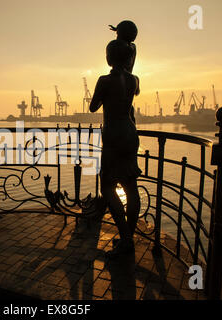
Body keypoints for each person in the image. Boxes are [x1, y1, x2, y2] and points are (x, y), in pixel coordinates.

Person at [90, 40, 141, 258]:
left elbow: (93, 106)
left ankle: (127, 240)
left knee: (108, 185)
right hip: (130, 133)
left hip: (113, 135)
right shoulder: (134, 80)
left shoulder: (104, 80)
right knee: (130, 184)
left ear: (109, 57)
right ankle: (128, 237)